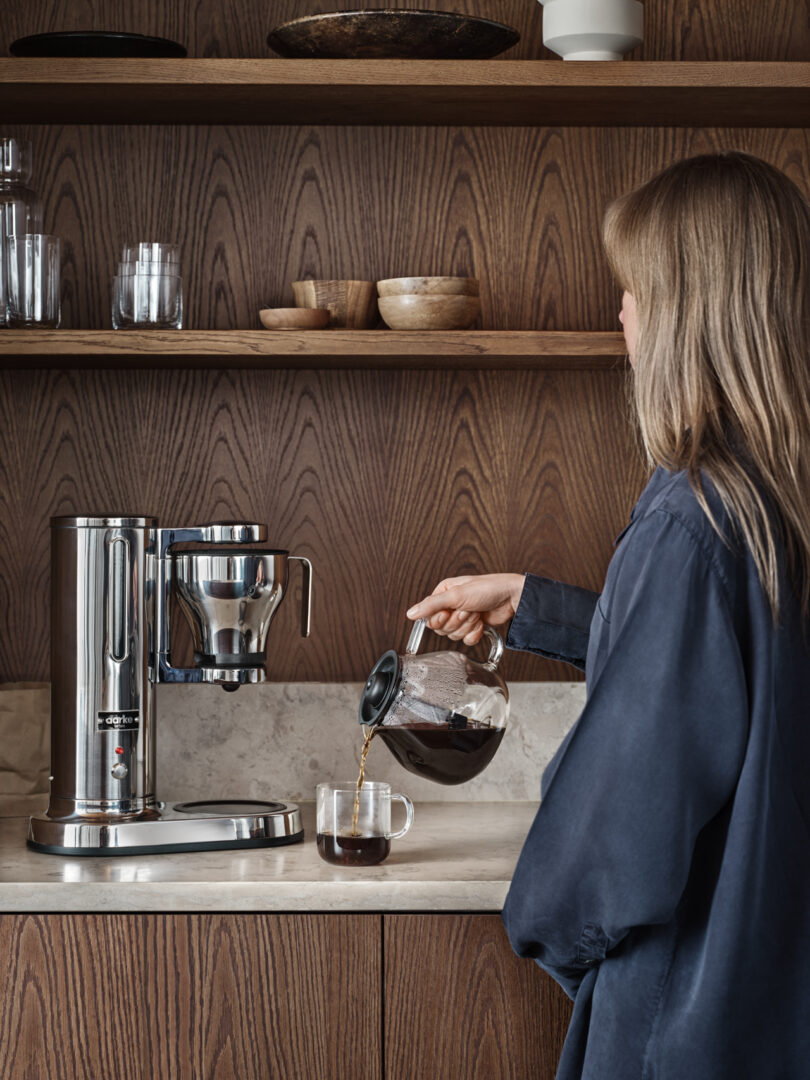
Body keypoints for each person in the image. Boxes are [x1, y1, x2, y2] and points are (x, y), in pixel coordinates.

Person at [405, 152, 810, 1079]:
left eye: (634, 289)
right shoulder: (779, 502)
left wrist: (548, 932)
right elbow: (750, 681)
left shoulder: (692, 518)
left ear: (689, 314)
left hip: (684, 1030)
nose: (620, 312)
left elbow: (613, 839)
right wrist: (538, 608)